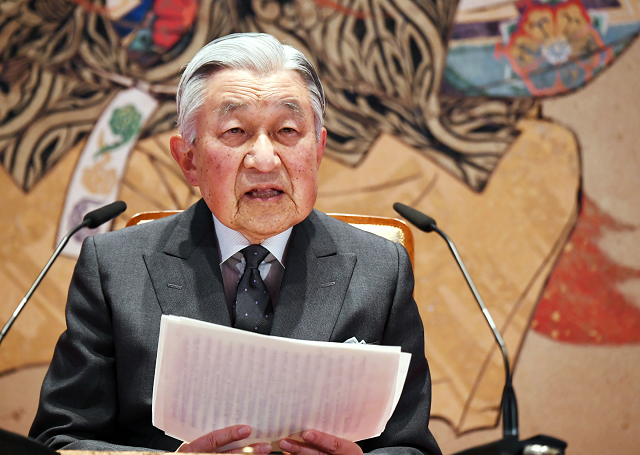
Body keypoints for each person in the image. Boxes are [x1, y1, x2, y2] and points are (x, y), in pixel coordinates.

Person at [30, 33, 442, 455]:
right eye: (235, 131)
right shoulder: (114, 269)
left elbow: (412, 447)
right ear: (189, 159)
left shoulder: (380, 270)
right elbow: (59, 441)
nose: (264, 160)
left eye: (287, 130)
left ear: (317, 150)